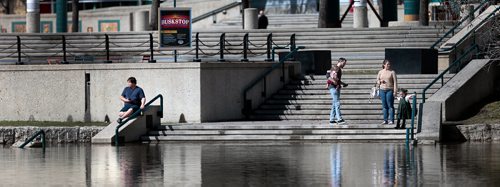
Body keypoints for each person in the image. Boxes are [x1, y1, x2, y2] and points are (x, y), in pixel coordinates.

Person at [328, 58, 348, 124]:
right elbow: (328, 76)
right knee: (337, 103)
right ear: (341, 62)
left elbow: (338, 80)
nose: (344, 65)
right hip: (333, 87)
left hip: (336, 87)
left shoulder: (338, 69)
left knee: (334, 103)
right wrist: (334, 81)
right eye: (344, 63)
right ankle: (339, 119)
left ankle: (331, 119)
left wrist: (342, 83)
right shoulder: (336, 68)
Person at [377, 60, 398, 125]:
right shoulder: (380, 72)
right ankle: (385, 120)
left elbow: (395, 82)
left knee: (390, 105)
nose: (389, 65)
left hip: (390, 90)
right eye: (387, 64)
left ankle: (391, 120)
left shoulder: (392, 72)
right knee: (384, 106)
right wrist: (380, 81)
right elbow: (377, 80)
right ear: (384, 65)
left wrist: (395, 91)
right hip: (382, 90)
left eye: (389, 64)